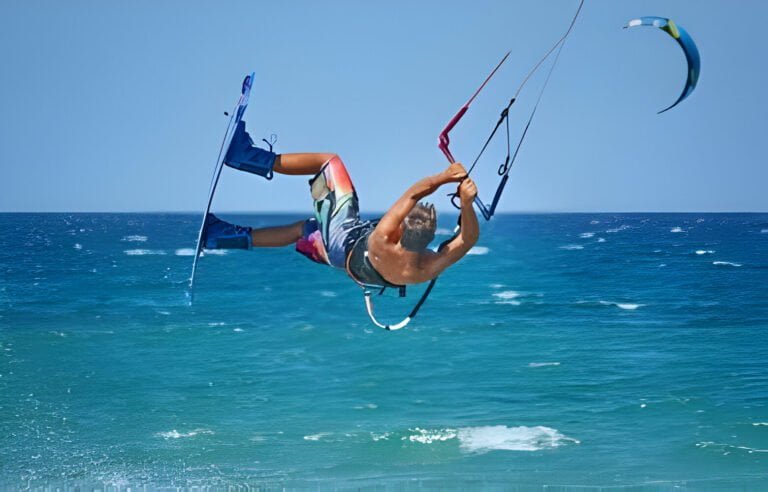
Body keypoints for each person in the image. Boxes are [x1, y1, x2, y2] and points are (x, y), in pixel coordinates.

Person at [203, 121, 479, 290]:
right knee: (304, 229)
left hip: (343, 238)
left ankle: (244, 156)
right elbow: (467, 239)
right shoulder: (427, 265)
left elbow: (412, 195)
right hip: (343, 262)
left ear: (405, 232)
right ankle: (220, 238)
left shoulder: (384, 236)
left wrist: (443, 178)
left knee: (329, 162)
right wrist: (466, 204)